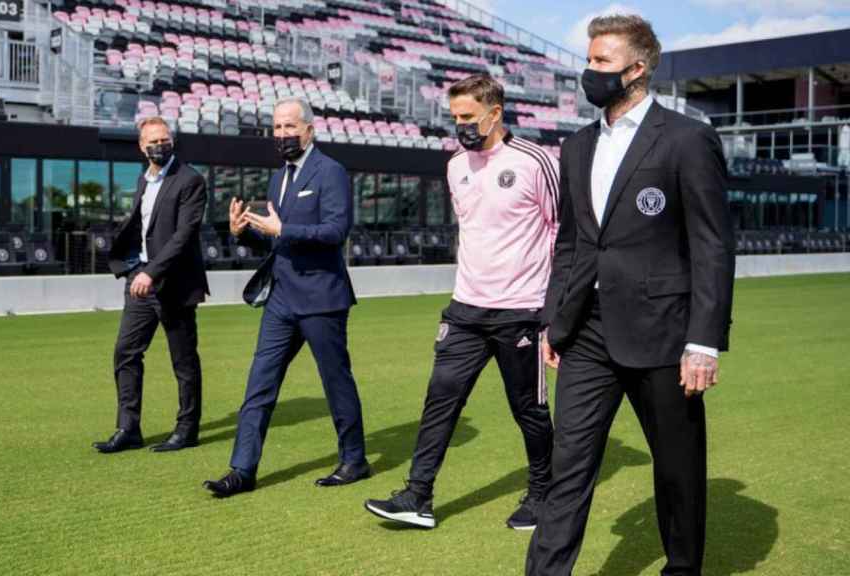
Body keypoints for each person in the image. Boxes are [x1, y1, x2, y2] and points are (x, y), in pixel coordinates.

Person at [525, 15, 735, 575]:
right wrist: (555, 322)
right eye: (588, 59)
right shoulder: (576, 146)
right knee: (568, 466)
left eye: (600, 61)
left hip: (666, 336)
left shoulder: (688, 139)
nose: (587, 71)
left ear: (637, 68)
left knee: (677, 468)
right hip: (588, 333)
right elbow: (571, 243)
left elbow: (713, 246)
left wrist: (704, 344)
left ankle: (682, 569)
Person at [363, 74, 557, 530]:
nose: (461, 126)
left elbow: (562, 233)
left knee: (528, 410)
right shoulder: (455, 166)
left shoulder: (536, 161)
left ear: (495, 112)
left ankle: (544, 494)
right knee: (440, 400)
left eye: (468, 117)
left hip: (522, 312)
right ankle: (417, 496)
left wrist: (553, 313)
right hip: (465, 310)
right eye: (455, 118)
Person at [203, 97, 369, 497]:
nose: (282, 135)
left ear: (308, 129)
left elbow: (335, 232)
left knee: (336, 383)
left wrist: (282, 231)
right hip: (281, 299)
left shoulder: (331, 172)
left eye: (289, 127)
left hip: (322, 299)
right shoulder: (279, 178)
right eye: (276, 128)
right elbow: (278, 239)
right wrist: (245, 230)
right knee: (259, 385)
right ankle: (242, 470)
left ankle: (354, 459)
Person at [93, 116, 210, 454]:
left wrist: (151, 273)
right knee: (125, 353)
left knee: (183, 362)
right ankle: (128, 428)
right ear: (142, 147)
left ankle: (187, 429)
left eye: (165, 138)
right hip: (140, 281)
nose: (161, 144)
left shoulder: (190, 180)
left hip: (173, 283)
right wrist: (133, 269)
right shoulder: (144, 180)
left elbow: (183, 237)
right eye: (154, 141)